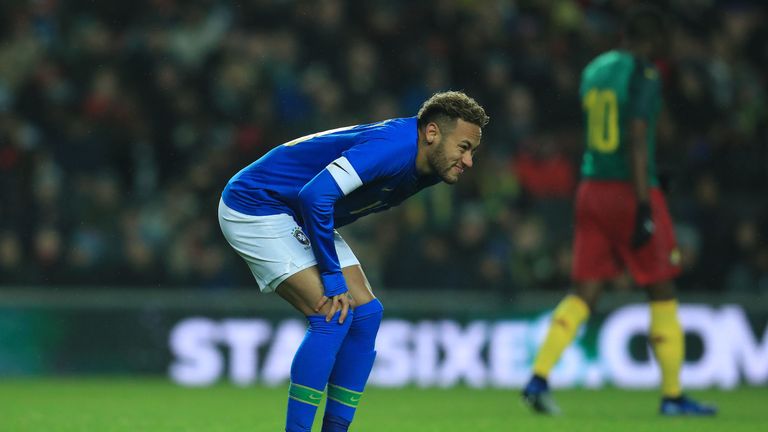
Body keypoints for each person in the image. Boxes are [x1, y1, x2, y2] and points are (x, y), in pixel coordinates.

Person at [218, 91, 489, 432]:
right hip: (257, 204)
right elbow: (316, 194)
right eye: (464, 148)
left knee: (366, 315)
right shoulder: (393, 147)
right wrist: (331, 276)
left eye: (472, 152)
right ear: (431, 133)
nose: (468, 162)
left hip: (299, 213)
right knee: (331, 315)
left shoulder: (429, 166)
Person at [521, 7, 716, 417]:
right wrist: (646, 200)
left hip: (591, 188)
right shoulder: (644, 74)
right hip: (629, 189)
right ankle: (673, 396)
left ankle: (538, 376)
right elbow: (637, 134)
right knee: (661, 289)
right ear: (654, 40)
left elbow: (601, 130)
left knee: (583, 293)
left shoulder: (594, 70)